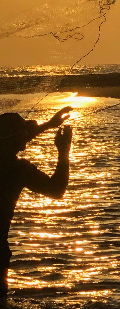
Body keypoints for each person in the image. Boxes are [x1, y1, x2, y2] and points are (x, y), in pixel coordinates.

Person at [1, 107, 72, 299]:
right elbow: (57, 190)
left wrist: (49, 125)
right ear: (15, 138)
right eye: (23, 131)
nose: (27, 134)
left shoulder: (7, 156)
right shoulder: (18, 170)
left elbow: (13, 139)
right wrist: (63, 152)